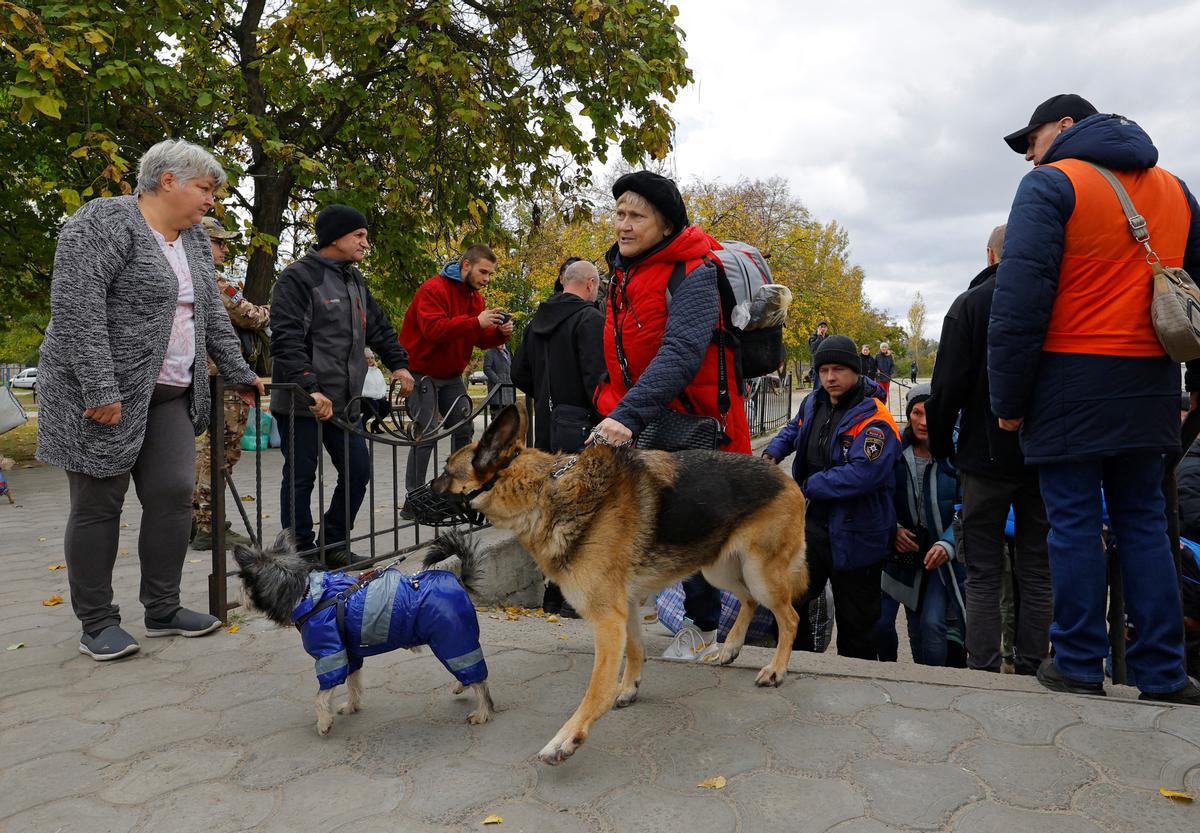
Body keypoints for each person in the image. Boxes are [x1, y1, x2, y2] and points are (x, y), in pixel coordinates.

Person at [989, 93, 1200, 703]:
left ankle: (1079, 662)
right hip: (1153, 383)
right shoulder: (1177, 190)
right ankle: (1162, 673)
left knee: (1074, 523)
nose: (1030, 157)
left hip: (1071, 381)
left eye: (1032, 141)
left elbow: (1019, 304)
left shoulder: (1053, 186)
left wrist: (1009, 396)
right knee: (1146, 524)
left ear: (1066, 126)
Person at [36, 138, 265, 661]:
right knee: (99, 504)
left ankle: (162, 609)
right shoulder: (103, 222)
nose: (211, 201)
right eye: (206, 189)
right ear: (169, 181)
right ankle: (97, 623)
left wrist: (240, 372)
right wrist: (100, 386)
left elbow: (208, 316)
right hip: (103, 395)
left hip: (171, 396)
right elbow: (78, 309)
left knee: (173, 494)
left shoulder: (189, 242)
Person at [592, 170, 752, 661]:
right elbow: (622, 354)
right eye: (619, 212)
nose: (623, 224)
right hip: (647, 426)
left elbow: (681, 351)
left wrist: (628, 415)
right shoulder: (623, 273)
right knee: (650, 524)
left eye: (636, 215)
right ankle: (671, 619)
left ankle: (706, 628)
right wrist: (609, 406)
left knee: (696, 529)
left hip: (699, 427)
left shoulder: (694, 272)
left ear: (665, 225)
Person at [927, 223, 1052, 675]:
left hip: (984, 458)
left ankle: (983, 669)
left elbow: (946, 389)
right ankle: (1037, 666)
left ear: (990, 255)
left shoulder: (971, 304)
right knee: (1037, 571)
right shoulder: (1054, 300)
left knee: (980, 572)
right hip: (1041, 458)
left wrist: (942, 447)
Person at [270, 204, 414, 562]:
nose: (366, 243)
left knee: (358, 470)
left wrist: (399, 364)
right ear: (335, 237)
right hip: (304, 402)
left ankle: (333, 545)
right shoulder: (298, 278)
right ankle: (299, 552)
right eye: (359, 236)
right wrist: (310, 387)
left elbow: (378, 327)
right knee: (301, 477)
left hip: (345, 401)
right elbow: (287, 340)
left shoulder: (354, 279)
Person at [763, 335, 901, 660]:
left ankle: (854, 692)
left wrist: (806, 486)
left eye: (838, 369)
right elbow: (794, 428)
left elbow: (863, 474)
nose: (830, 377)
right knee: (789, 603)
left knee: (857, 625)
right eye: (823, 370)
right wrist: (772, 453)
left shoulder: (876, 420)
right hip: (813, 527)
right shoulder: (814, 401)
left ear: (855, 370)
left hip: (859, 533)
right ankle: (795, 666)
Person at [398, 245, 513, 506]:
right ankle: (414, 499)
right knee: (426, 434)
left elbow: (478, 339)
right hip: (421, 372)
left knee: (464, 428)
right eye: (483, 272)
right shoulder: (433, 289)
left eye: (490, 274)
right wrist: (476, 322)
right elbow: (433, 331)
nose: (486, 279)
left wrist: (500, 333)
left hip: (451, 375)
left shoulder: (476, 299)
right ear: (466, 266)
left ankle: (452, 489)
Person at [191, 216, 270, 551]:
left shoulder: (185, 275)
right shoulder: (213, 280)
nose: (224, 248)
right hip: (223, 377)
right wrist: (268, 312)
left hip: (204, 374)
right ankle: (207, 525)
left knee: (211, 451)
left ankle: (198, 521)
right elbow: (249, 314)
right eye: (218, 241)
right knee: (221, 452)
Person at [879, 384, 967, 666]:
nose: (924, 421)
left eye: (931, 412)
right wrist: (891, 528)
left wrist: (949, 543)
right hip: (901, 554)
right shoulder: (894, 451)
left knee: (932, 625)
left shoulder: (958, 453)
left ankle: (934, 684)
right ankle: (895, 677)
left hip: (940, 561)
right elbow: (877, 497)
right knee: (885, 624)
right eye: (916, 412)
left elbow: (971, 506)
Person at [512, 259, 605, 453]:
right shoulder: (590, 319)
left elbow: (518, 372)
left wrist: (544, 393)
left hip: (546, 423)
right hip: (583, 427)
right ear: (591, 283)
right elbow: (596, 378)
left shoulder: (535, 322)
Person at [483, 343, 515, 418]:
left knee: (509, 418)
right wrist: (498, 381)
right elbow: (487, 369)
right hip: (496, 390)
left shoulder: (508, 352)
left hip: (509, 390)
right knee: (497, 418)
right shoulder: (490, 353)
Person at [361, 350, 390, 434]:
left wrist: (382, 394)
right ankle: (362, 424)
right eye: (367, 358)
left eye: (372, 358)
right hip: (363, 398)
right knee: (374, 405)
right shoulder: (361, 371)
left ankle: (375, 424)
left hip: (377, 397)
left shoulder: (377, 371)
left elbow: (383, 384)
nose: (370, 360)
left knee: (386, 406)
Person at [807, 321, 829, 387]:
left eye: (824, 327)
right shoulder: (813, 337)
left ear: (827, 329)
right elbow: (813, 348)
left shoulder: (828, 337)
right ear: (818, 328)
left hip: (827, 365)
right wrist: (819, 336)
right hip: (817, 365)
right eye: (821, 327)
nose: (823, 328)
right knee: (817, 387)